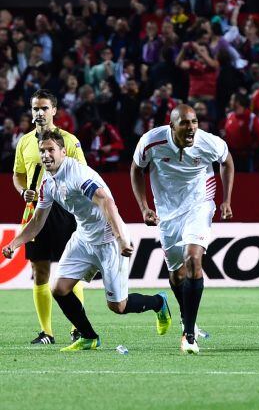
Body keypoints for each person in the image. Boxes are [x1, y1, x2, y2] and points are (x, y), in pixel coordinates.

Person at [3, 130, 172, 351]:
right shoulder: (47, 181)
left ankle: (158, 302)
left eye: (50, 150)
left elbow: (106, 202)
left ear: (63, 152)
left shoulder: (78, 174)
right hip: (83, 238)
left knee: (118, 306)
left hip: (109, 239)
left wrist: (121, 239)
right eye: (42, 151)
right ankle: (88, 336)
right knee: (59, 288)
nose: (45, 155)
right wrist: (14, 244)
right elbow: (38, 220)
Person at [130, 104, 235, 355]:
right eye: (185, 123)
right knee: (176, 275)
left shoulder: (208, 142)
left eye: (195, 122)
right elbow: (136, 170)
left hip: (199, 203)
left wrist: (227, 199)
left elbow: (227, 162)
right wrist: (144, 207)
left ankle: (189, 335)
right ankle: (186, 317)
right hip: (167, 213)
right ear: (172, 126)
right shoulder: (151, 141)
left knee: (193, 258)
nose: (191, 128)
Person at [12, 89, 87, 345]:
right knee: (39, 270)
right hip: (36, 210)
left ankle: (78, 328)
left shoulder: (69, 141)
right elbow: (18, 174)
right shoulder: (24, 142)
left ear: (54, 110)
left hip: (65, 209)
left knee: (72, 270)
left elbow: (83, 173)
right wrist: (24, 191)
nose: (39, 113)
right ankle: (47, 332)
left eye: (44, 108)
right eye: (35, 108)